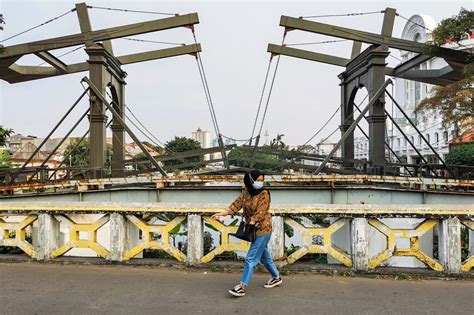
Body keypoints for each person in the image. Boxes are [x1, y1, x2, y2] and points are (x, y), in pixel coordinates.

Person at [211, 170, 282, 297]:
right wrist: (221, 214)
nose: (260, 183)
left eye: (262, 180)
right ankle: (276, 277)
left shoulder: (264, 193)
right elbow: (235, 206)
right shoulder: (246, 192)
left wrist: (251, 223)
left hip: (263, 229)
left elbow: (261, 212)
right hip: (253, 228)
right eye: (258, 180)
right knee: (264, 257)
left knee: (250, 258)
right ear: (250, 181)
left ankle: (242, 286)